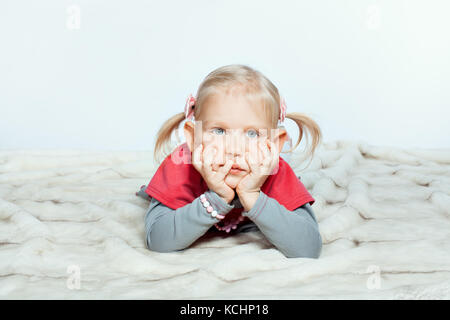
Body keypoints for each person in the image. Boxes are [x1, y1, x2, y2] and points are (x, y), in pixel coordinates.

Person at [137, 64, 323, 258]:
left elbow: (308, 248)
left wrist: (253, 196)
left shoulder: (275, 172)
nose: (234, 149)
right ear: (193, 138)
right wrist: (215, 198)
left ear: (274, 145)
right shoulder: (180, 167)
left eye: (252, 133)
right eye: (219, 131)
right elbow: (158, 241)